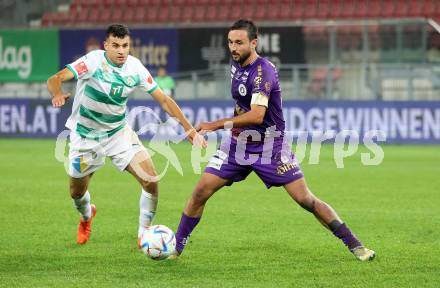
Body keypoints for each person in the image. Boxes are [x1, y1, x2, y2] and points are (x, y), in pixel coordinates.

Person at [173, 20, 375, 261]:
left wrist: (213, 125)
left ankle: (355, 245)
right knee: (200, 192)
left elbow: (258, 115)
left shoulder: (264, 71)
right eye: (230, 42)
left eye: (239, 42)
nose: (233, 47)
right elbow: (242, 105)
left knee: (305, 199)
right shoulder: (235, 64)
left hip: (270, 146)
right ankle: (175, 248)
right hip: (238, 144)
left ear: (254, 43)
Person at [47, 24, 206, 246]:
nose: (121, 51)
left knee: (150, 179)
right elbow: (55, 78)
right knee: (76, 193)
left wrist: (188, 129)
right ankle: (86, 216)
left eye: (125, 46)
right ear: (106, 46)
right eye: (116, 46)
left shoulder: (135, 68)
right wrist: (56, 94)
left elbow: (164, 100)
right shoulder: (92, 62)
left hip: (118, 134)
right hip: (86, 138)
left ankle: (144, 235)